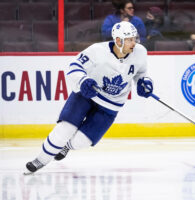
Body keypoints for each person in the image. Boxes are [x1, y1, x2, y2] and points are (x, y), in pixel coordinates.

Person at [24, 21, 153, 174]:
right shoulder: (97, 51)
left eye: (135, 38)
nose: (134, 43)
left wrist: (144, 83)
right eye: (130, 39)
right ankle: (41, 159)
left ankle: (66, 147)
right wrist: (83, 80)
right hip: (87, 94)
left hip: (111, 105)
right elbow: (74, 66)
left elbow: (141, 74)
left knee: (82, 141)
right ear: (118, 41)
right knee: (65, 129)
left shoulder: (140, 52)